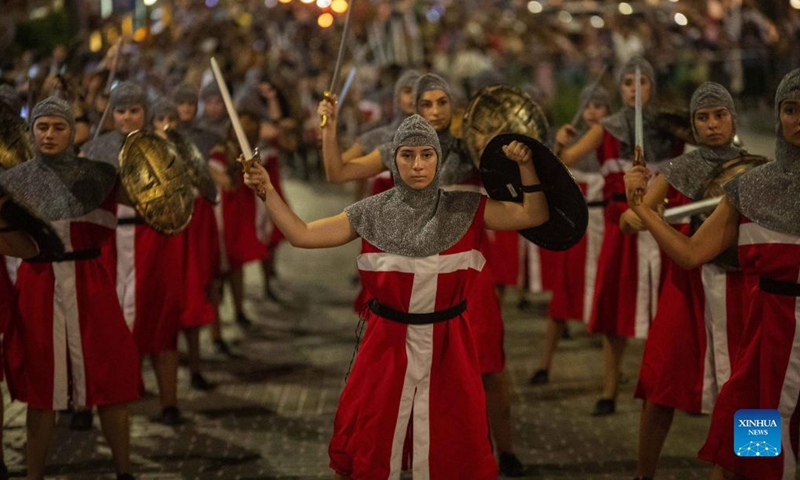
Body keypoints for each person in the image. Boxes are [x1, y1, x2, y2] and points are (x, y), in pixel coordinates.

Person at [243, 113, 548, 479]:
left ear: (437, 159)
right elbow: (303, 234)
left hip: (450, 348)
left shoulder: (465, 208)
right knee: (373, 440)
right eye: (407, 155)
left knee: (453, 442)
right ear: (393, 160)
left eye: (426, 155)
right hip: (386, 347)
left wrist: (528, 166)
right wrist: (266, 190)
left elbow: (533, 214)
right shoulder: (370, 212)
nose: (417, 164)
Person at [319, 73, 527, 475]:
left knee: (487, 362)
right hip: (412, 272)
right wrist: (328, 127)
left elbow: (516, 195)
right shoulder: (404, 144)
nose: (434, 112)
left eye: (442, 103)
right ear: (413, 108)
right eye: (426, 104)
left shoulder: (473, 144)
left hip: (461, 270)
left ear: (454, 105)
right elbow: (339, 172)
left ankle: (504, 448)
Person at [624, 68, 800, 480]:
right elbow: (689, 253)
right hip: (767, 333)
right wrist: (643, 209)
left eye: (720, 115)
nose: (799, 119)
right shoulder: (752, 187)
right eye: (791, 109)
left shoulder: (746, 171)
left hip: (746, 304)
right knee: (757, 444)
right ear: (778, 115)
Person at [0, 96, 139, 480]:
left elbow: (145, 198)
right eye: (42, 127)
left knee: (109, 382)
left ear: (72, 132)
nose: (49, 134)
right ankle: (34, 475)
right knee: (42, 390)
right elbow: (11, 242)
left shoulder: (96, 174)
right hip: (39, 285)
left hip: (90, 282)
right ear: (32, 132)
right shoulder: (15, 180)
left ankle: (124, 470)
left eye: (58, 127)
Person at [553, 57, 684, 415]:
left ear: (651, 88)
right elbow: (565, 159)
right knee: (614, 315)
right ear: (620, 88)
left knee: (672, 315)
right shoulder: (606, 128)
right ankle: (610, 389)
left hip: (663, 228)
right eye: (627, 82)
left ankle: (672, 387)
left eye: (641, 83)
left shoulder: (670, 129)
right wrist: (561, 141)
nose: (633, 89)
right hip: (619, 230)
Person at [530, 85, 611, 385]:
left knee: (605, 300)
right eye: (588, 104)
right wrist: (560, 145)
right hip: (579, 226)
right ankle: (545, 364)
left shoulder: (613, 140)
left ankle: (609, 380)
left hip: (604, 226)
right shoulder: (571, 141)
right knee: (563, 295)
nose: (592, 111)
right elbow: (554, 171)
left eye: (599, 105)